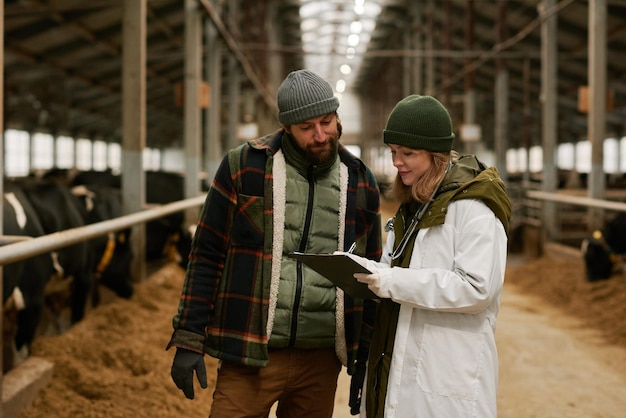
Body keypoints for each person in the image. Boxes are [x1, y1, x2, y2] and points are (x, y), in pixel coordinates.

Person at [167, 69, 382, 417]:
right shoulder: (245, 166)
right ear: (286, 128)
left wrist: (363, 355)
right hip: (250, 353)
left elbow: (369, 275)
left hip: (321, 358)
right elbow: (206, 253)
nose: (320, 135)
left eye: (327, 122)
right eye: (306, 127)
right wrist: (189, 335)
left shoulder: (359, 180)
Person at [344, 95, 511, 417]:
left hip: (446, 369)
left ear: (437, 155)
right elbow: (402, 271)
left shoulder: (474, 208)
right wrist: (369, 272)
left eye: (408, 153)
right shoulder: (415, 205)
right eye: (393, 152)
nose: (396, 162)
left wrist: (390, 280)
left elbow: (477, 288)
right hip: (399, 354)